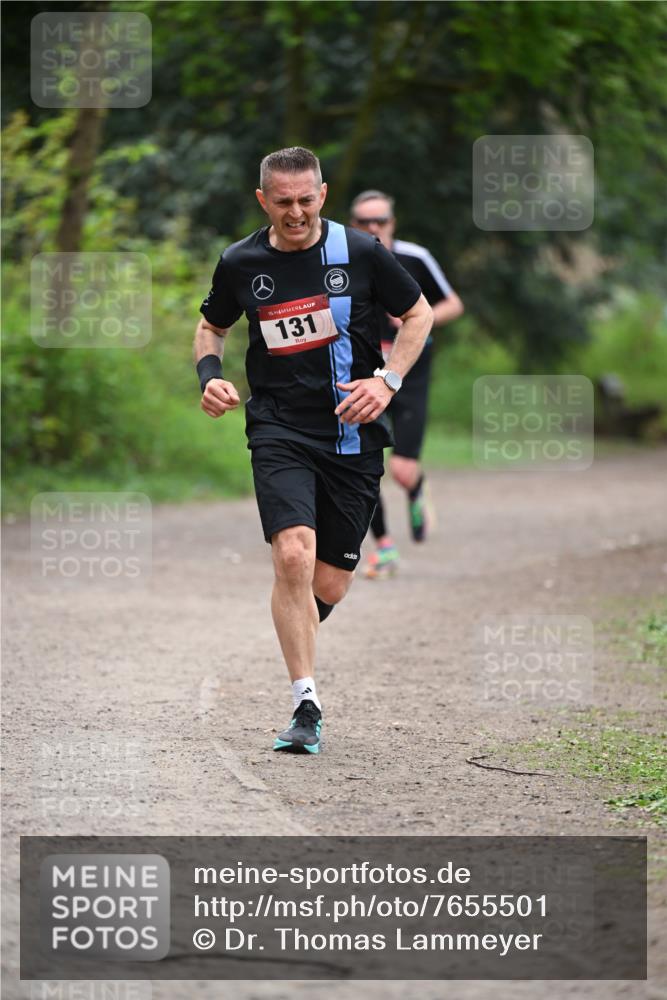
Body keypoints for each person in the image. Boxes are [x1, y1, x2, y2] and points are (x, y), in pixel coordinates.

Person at [195, 148, 433, 754]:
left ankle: (293, 621)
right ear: (263, 201)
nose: (295, 212)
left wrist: (387, 381)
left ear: (322, 195)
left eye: (306, 200)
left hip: (352, 436)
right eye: (283, 202)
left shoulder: (360, 252)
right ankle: (306, 702)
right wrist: (209, 376)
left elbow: (418, 315)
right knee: (294, 557)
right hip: (278, 428)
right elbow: (212, 327)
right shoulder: (242, 262)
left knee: (328, 584)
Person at [350, 190, 464, 579]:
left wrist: (416, 317)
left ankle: (416, 487)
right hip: (364, 374)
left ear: (392, 222)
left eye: (380, 220)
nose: (373, 228)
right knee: (362, 466)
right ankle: (383, 547)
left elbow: (452, 304)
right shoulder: (344, 258)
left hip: (410, 373)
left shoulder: (416, 258)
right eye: (365, 222)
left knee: (400, 469)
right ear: (354, 224)